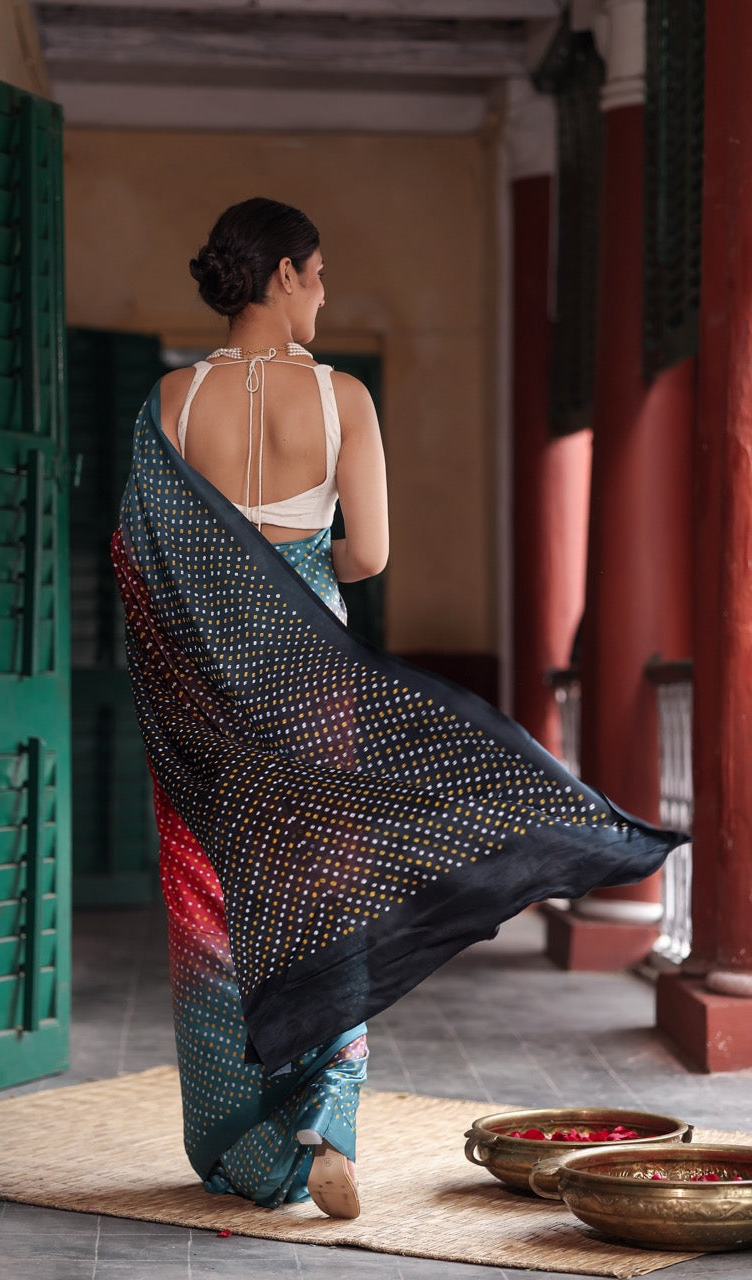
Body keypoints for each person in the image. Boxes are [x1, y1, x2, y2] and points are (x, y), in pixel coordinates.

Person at [112, 197, 686, 1223]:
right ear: (282, 273)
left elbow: (142, 566)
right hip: (313, 687)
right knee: (330, 888)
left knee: (211, 894)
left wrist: (231, 588)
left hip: (206, 691)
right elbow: (368, 554)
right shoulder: (341, 401)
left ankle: (245, 1150)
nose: (326, 291)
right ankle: (327, 1116)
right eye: (320, 272)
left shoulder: (168, 404)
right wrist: (297, 573)